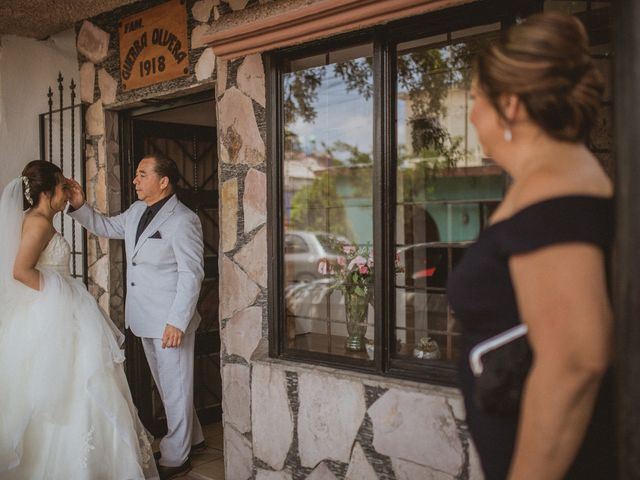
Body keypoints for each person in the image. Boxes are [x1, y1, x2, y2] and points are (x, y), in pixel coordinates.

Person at [447, 12, 615, 480]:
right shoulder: (550, 183)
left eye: (477, 100)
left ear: (512, 105)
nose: (475, 115)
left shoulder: (556, 190)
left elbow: (575, 362)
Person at [0, 160, 158, 479]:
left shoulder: (38, 217)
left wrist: (79, 203)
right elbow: (20, 272)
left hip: (56, 306)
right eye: (62, 187)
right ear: (46, 192)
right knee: (74, 384)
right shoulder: (38, 222)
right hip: (53, 310)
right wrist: (65, 290)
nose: (66, 192)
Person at [67, 153, 205, 480]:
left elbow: (191, 273)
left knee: (176, 387)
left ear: (163, 181)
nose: (135, 180)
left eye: (142, 174)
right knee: (169, 385)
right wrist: (80, 205)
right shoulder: (136, 210)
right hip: (143, 316)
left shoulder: (184, 219)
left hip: (171, 322)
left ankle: (177, 456)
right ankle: (194, 438)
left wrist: (178, 321)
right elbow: (106, 226)